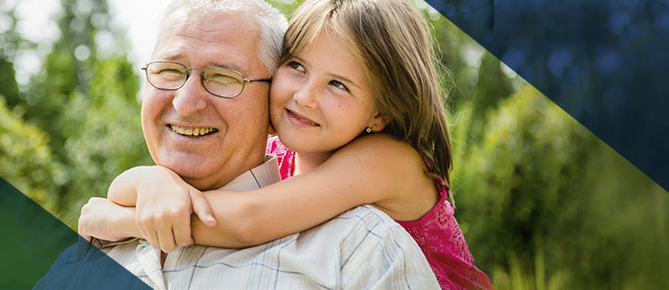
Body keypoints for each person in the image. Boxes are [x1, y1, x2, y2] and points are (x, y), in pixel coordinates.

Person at [36, 0, 438, 289]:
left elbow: (250, 218)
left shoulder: (365, 235)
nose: (186, 102)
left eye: (223, 76)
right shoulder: (82, 261)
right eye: (170, 71)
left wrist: (131, 221)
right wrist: (146, 185)